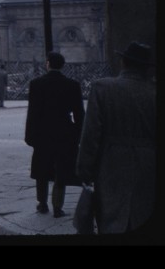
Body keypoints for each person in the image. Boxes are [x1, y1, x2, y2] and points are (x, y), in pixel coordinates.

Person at [76, 41, 156, 234]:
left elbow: (91, 135)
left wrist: (84, 172)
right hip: (150, 168)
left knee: (113, 221)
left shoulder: (103, 88)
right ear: (146, 68)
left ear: (123, 63)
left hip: (111, 167)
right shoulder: (154, 92)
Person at [24, 51, 85, 217]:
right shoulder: (73, 85)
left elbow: (33, 113)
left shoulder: (36, 84)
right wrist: (79, 135)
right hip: (64, 132)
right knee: (61, 170)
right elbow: (79, 114)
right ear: (62, 65)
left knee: (42, 169)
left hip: (42, 132)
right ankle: (58, 206)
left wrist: (29, 136)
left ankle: (42, 203)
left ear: (48, 63)